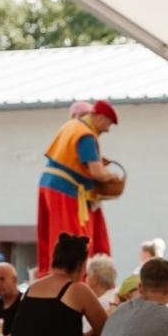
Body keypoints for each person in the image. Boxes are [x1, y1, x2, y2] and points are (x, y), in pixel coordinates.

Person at [37, 100, 118, 274]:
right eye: (108, 124)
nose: (107, 129)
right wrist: (111, 175)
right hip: (65, 191)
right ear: (101, 118)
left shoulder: (71, 126)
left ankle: (47, 274)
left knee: (51, 238)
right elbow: (97, 172)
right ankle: (69, 281)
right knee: (72, 240)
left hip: (48, 185)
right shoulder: (86, 135)